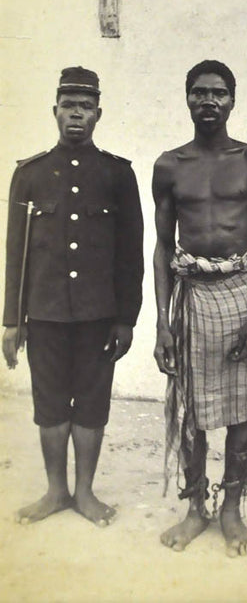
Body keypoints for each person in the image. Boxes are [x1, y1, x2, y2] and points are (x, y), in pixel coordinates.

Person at [2, 66, 144, 527]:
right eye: (68, 106)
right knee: (49, 402)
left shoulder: (118, 175)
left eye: (85, 107)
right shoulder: (29, 175)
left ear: (98, 114)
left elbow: (130, 254)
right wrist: (11, 319)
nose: (76, 115)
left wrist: (126, 319)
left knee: (91, 401)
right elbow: (15, 254)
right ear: (55, 112)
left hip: (97, 315)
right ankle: (55, 491)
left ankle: (85, 493)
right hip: (43, 313)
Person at [152, 59, 247, 557]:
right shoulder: (170, 165)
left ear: (233, 100)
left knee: (239, 413)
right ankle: (195, 508)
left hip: (240, 292)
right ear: (187, 98)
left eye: (219, 93)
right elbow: (162, 248)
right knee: (192, 413)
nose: (209, 101)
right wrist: (161, 323)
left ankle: (232, 509)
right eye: (200, 93)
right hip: (191, 298)